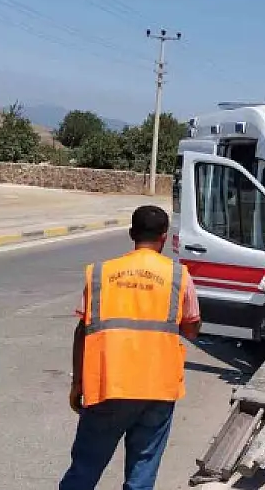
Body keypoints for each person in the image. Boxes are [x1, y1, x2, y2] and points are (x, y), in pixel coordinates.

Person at [59, 205, 201, 490]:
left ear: (131, 233)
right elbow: (192, 328)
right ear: (164, 236)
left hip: (108, 386)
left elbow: (82, 332)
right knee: (141, 475)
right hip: (157, 390)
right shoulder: (179, 276)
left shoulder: (100, 274)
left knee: (84, 470)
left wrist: (78, 382)